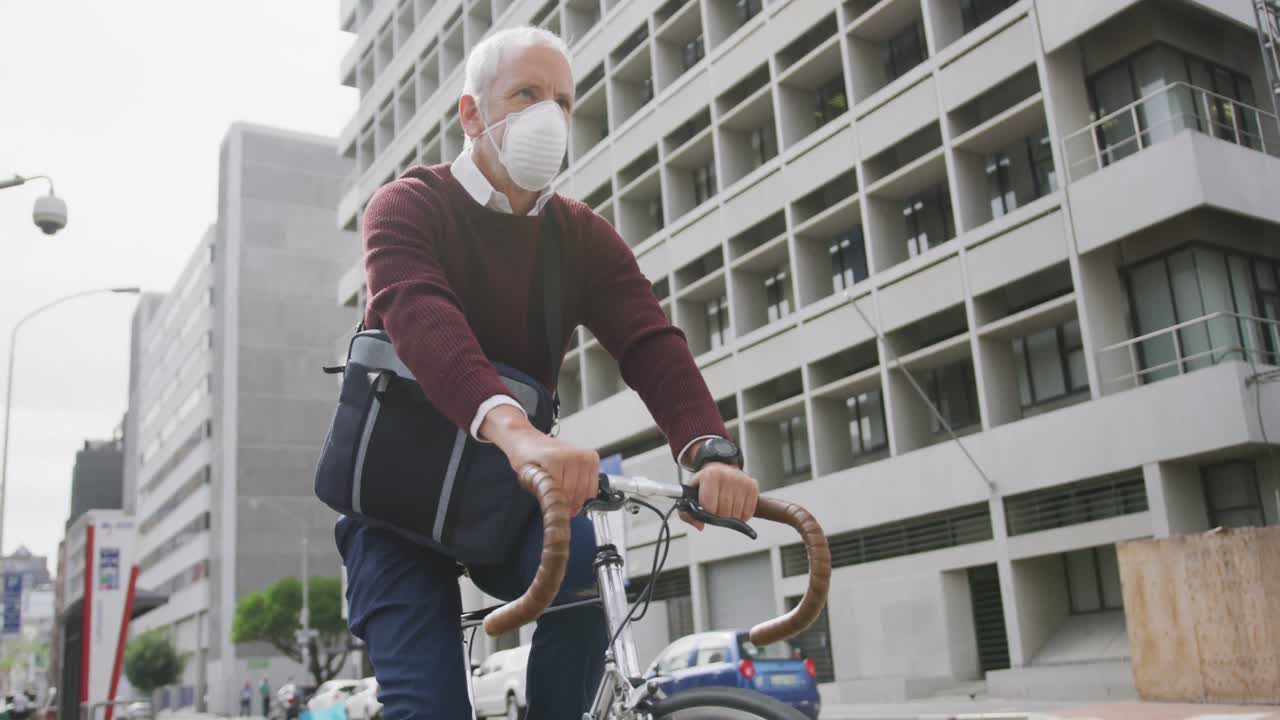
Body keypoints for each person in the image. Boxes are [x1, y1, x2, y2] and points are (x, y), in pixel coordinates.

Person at [337, 25, 760, 720]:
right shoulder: (407, 206)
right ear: (472, 113)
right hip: (394, 508)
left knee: (590, 572)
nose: (550, 117)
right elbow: (425, 322)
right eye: (527, 95)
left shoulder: (581, 237)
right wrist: (517, 431)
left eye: (563, 102)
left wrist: (707, 448)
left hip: (507, 502)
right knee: (431, 708)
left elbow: (651, 343)